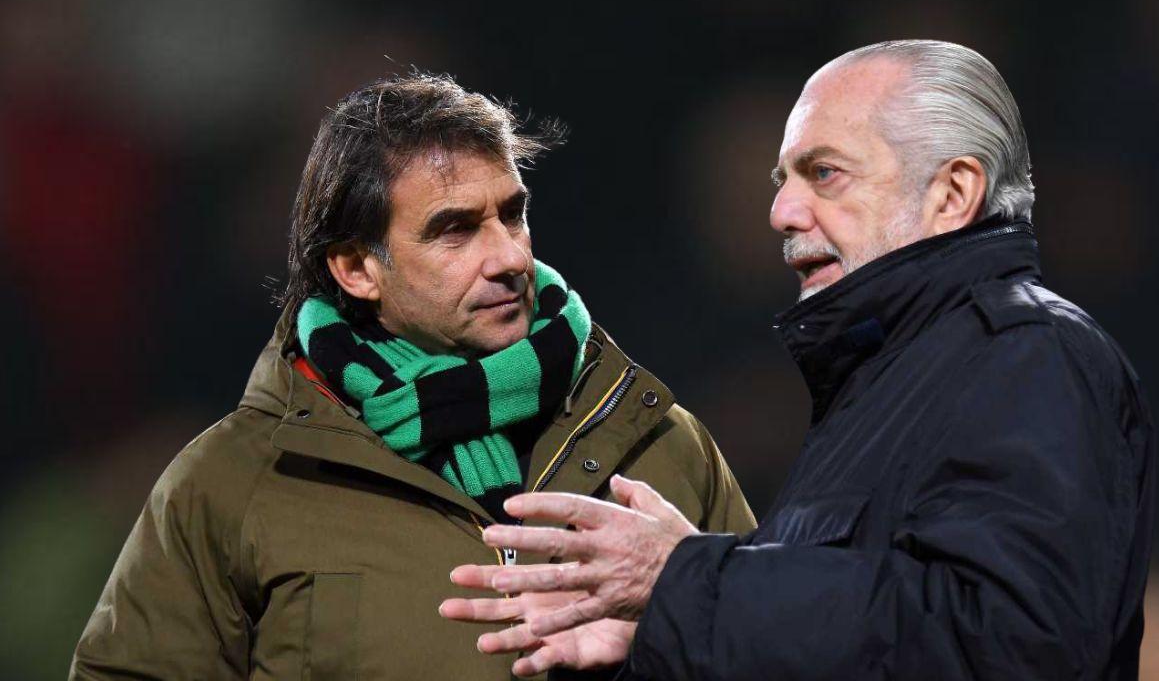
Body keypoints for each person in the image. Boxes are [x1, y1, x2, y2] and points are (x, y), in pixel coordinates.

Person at [442, 40, 1157, 680]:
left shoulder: (1028, 356)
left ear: (953, 193)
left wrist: (684, 581)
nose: (782, 212)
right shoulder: (887, 378)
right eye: (783, 179)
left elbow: (1011, 646)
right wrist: (668, 632)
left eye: (825, 173)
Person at [70, 73, 755, 680]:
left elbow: (780, 651)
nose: (509, 258)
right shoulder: (236, 482)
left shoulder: (658, 440)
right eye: (455, 230)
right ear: (356, 269)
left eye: (513, 214)